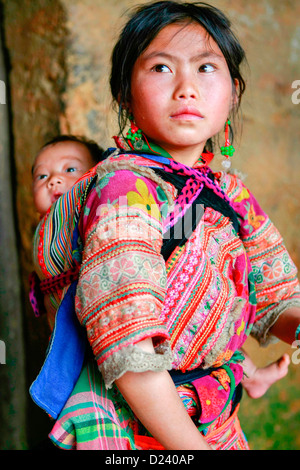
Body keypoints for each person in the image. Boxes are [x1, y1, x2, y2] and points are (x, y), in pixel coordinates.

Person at [29, 2, 300, 451]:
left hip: (215, 420)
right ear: (124, 94)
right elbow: (129, 347)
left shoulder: (229, 192)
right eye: (160, 67)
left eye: (206, 67)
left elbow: (275, 292)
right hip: (136, 431)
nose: (186, 88)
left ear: (233, 93)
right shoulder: (123, 186)